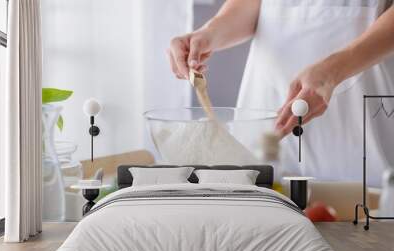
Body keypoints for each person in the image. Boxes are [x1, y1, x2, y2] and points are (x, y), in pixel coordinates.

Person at [168, 0, 394, 185]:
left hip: (363, 109)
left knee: (365, 225)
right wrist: (209, 34)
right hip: (266, 97)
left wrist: (332, 71)